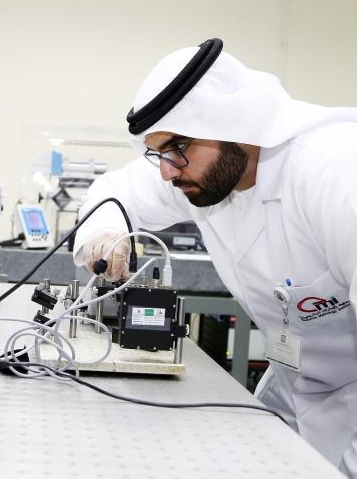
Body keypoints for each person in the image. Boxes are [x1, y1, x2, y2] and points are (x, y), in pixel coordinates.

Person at [73, 38, 357, 475]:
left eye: (176, 148)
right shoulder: (202, 174)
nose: (166, 171)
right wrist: (106, 232)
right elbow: (113, 192)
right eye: (157, 153)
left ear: (231, 123)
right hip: (291, 392)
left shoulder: (335, 170)